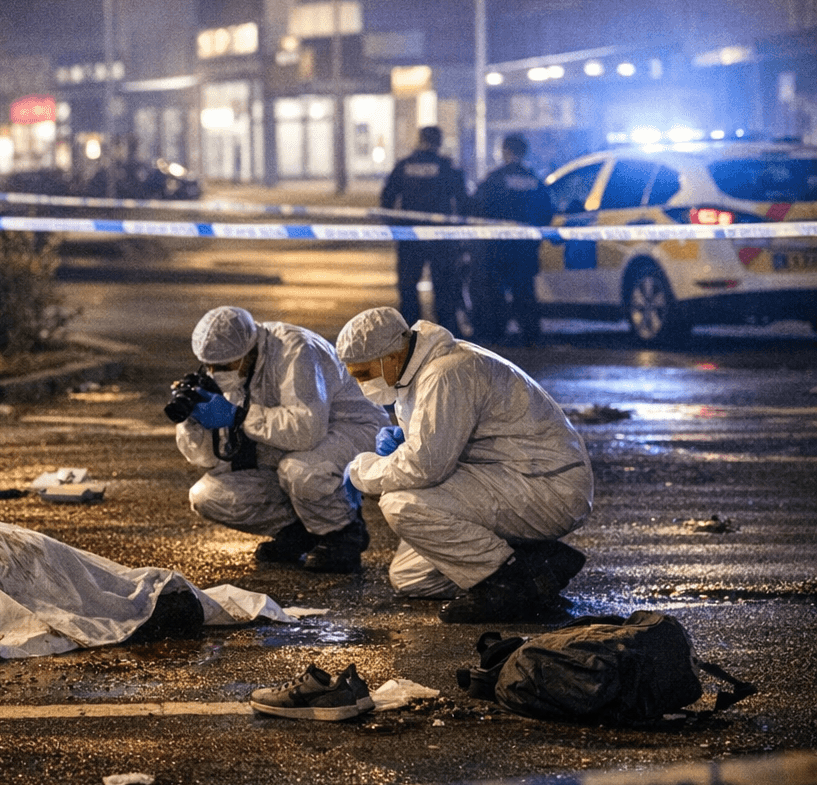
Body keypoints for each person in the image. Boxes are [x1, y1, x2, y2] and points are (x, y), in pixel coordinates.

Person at [334, 307, 592, 623]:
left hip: (545, 487)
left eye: (364, 374)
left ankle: (508, 583)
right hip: (509, 478)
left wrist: (364, 470)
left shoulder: (445, 372)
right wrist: (405, 442)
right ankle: (535, 562)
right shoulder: (417, 369)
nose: (363, 384)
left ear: (389, 357)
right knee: (411, 577)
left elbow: (425, 466)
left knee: (400, 503)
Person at [176, 307, 389, 572]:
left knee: (300, 471)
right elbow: (208, 460)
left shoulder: (296, 350)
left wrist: (239, 416)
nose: (214, 373)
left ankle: (342, 533)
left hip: (353, 429)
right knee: (208, 495)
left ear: (249, 350)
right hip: (295, 444)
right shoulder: (233, 368)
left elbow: (306, 430)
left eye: (222, 366)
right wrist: (193, 422)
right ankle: (304, 530)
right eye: (208, 366)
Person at [379, 125, 468, 328]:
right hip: (441, 237)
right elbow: (463, 202)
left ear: (419, 140)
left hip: (410, 236)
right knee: (444, 286)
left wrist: (395, 227)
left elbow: (387, 199)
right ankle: (446, 330)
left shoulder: (404, 166)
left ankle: (411, 330)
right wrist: (461, 232)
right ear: (439, 143)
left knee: (408, 285)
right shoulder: (447, 167)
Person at [471, 133, 554, 345]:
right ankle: (531, 336)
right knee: (525, 292)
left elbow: (477, 208)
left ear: (505, 151)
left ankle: (497, 336)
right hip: (525, 249)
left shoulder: (495, 178)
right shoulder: (534, 180)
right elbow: (547, 211)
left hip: (498, 248)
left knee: (496, 294)